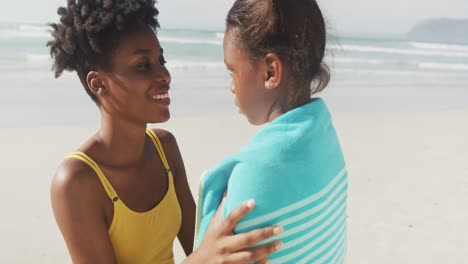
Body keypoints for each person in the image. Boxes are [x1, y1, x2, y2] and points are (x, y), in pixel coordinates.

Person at [48, 0, 282, 263]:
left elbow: (202, 246)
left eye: (161, 60)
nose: (164, 74)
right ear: (99, 83)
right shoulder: (76, 182)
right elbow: (204, 257)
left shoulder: (165, 148)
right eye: (142, 65)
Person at [195, 0, 348, 263]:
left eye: (231, 70)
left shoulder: (252, 176)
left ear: (270, 71)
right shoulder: (326, 140)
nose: (231, 86)